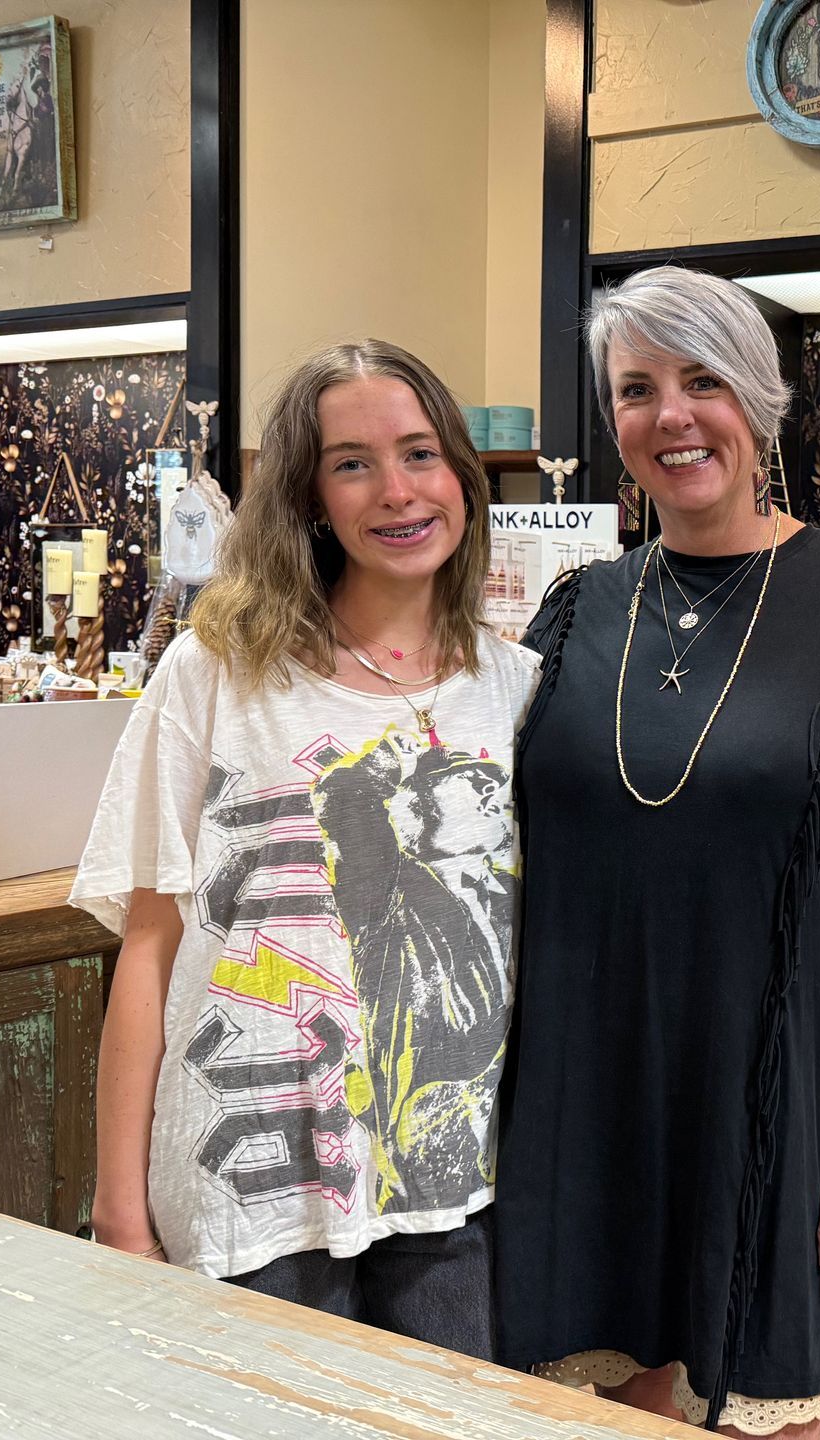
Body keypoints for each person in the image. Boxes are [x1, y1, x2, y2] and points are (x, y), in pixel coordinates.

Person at [494, 265, 820, 1437]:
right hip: (579, 1094)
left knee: (764, 1414)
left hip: (773, 1097)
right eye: (638, 388)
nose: (673, 416)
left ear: (759, 401)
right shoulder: (571, 612)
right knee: (590, 1409)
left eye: (703, 380)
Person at [73, 340, 539, 1359]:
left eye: (420, 454)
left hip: (449, 1200)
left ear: (463, 475)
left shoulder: (516, 690)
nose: (397, 490)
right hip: (249, 1199)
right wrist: (117, 1207)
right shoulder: (217, 673)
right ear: (310, 496)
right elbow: (146, 950)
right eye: (352, 462)